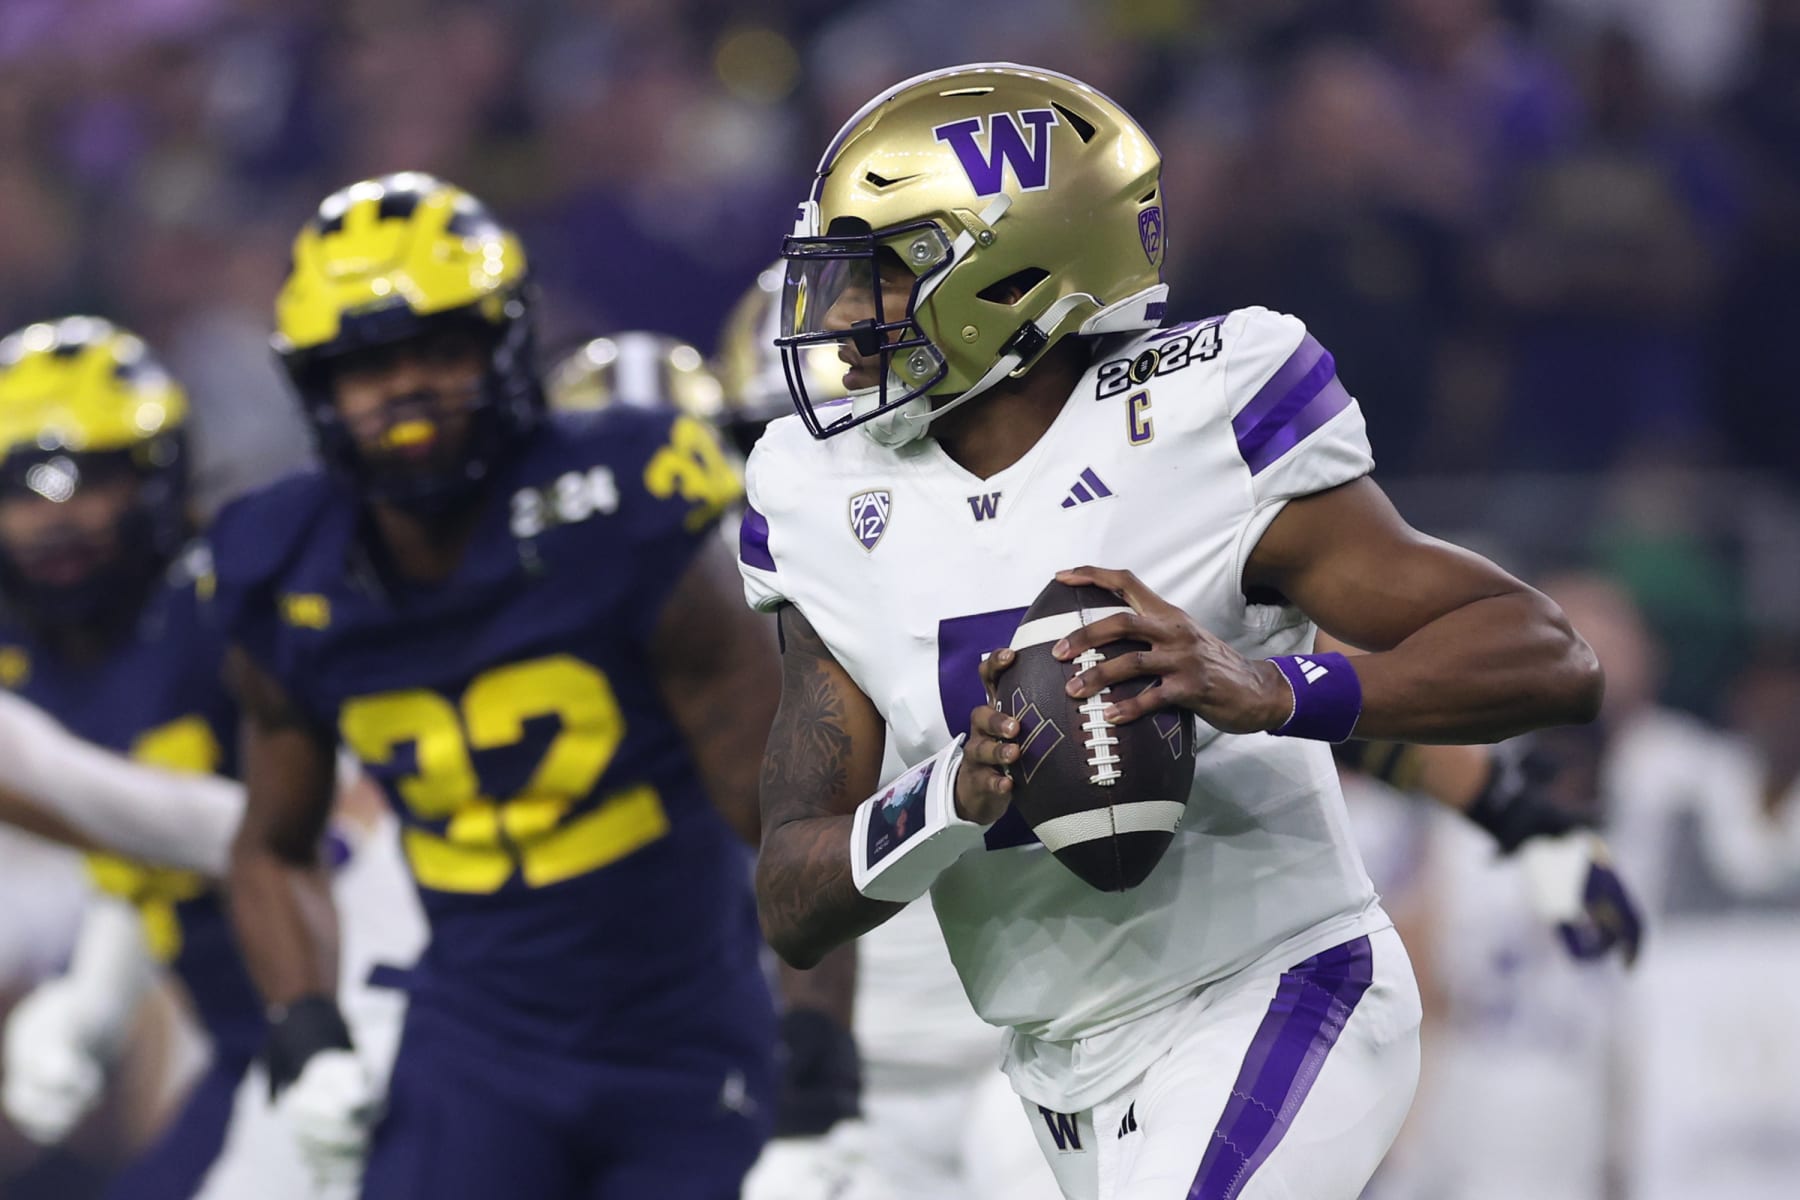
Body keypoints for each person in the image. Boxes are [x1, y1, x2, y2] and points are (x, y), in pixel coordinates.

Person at [741, 63, 1604, 1200]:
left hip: (1278, 985)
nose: (847, 317)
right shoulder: (816, 492)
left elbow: (1548, 655)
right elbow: (794, 899)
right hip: (1050, 1066)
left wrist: (1277, 686)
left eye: (886, 274)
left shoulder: (1203, 412)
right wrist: (944, 800)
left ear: (1008, 274)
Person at [213, 173, 797, 1199]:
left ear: (506, 346)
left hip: (682, 1037)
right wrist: (307, 1031)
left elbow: (792, 820)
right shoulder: (283, 564)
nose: (405, 390)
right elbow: (270, 843)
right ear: (316, 388)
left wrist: (825, 1063)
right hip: (476, 1049)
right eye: (366, 367)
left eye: (439, 349)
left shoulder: (622, 501)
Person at [717, 269, 1062, 1200]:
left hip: (1037, 1028)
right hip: (839, 1074)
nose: (812, 467)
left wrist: (1492, 798)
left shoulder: (1031, 536)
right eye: (758, 442)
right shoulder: (713, 641)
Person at [0, 317, 267, 1198]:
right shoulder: (37, 654)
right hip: (247, 1037)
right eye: (21, 488)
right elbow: (151, 862)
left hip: (381, 1009)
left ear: (157, 477)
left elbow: (287, 838)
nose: (54, 518)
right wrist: (92, 1005)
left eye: (88, 481)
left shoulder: (233, 604)